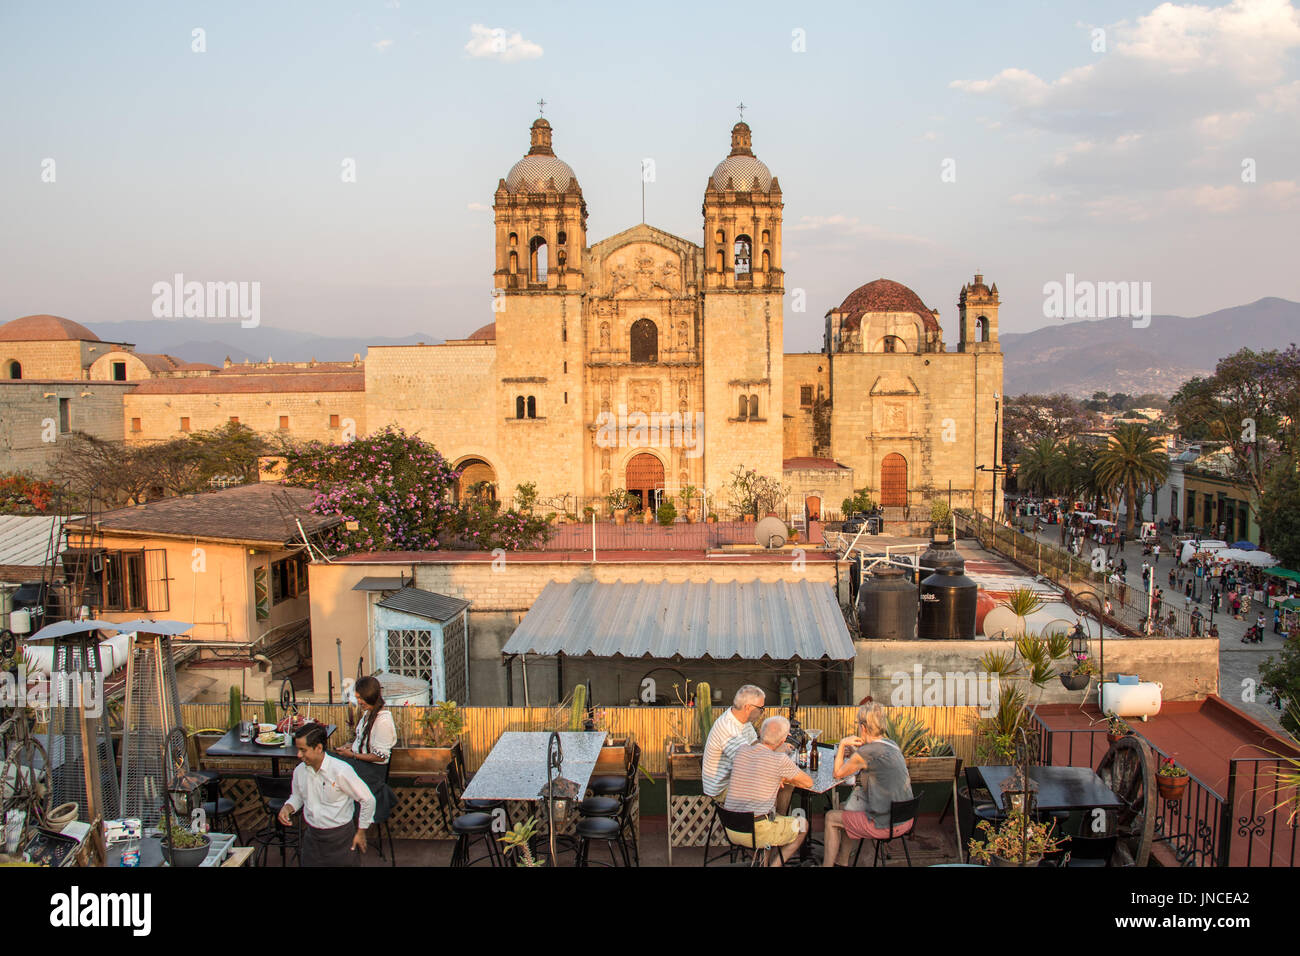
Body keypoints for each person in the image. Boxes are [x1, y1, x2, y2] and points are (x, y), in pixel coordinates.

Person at [822, 702, 914, 867]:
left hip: (886, 825)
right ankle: (842, 861)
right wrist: (856, 754)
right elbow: (874, 761)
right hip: (905, 818)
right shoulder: (891, 744)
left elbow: (837, 774)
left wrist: (843, 744)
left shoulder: (866, 753)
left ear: (863, 727)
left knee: (831, 818)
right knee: (846, 807)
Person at [280, 724, 376, 866]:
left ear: (318, 748)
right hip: (312, 838)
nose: (298, 755)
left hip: (341, 838)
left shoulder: (341, 771)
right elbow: (298, 796)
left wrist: (361, 831)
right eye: (298, 749)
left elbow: (368, 800)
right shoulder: (300, 771)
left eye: (303, 750)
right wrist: (287, 807)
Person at [722, 716, 812, 866]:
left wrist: (778, 773)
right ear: (784, 740)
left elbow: (758, 764)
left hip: (731, 827)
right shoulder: (779, 760)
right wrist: (782, 772)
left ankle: (764, 862)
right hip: (758, 831)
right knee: (803, 825)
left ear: (760, 732)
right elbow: (808, 782)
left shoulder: (741, 751)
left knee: (771, 815)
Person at [334, 675, 398, 833]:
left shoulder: (383, 721)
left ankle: (335, 823)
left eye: (360, 698)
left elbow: (380, 756)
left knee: (330, 764)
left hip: (372, 772)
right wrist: (350, 746)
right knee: (330, 761)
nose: (359, 702)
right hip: (361, 765)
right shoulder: (369, 714)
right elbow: (364, 743)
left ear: (369, 696)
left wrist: (352, 756)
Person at [702, 685, 764, 803]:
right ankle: (767, 820)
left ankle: (777, 818)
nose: (762, 712)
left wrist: (773, 742)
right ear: (748, 708)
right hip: (722, 788)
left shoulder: (742, 720)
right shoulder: (728, 728)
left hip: (736, 778)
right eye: (761, 708)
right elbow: (750, 763)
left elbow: (755, 745)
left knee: (783, 785)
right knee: (767, 788)